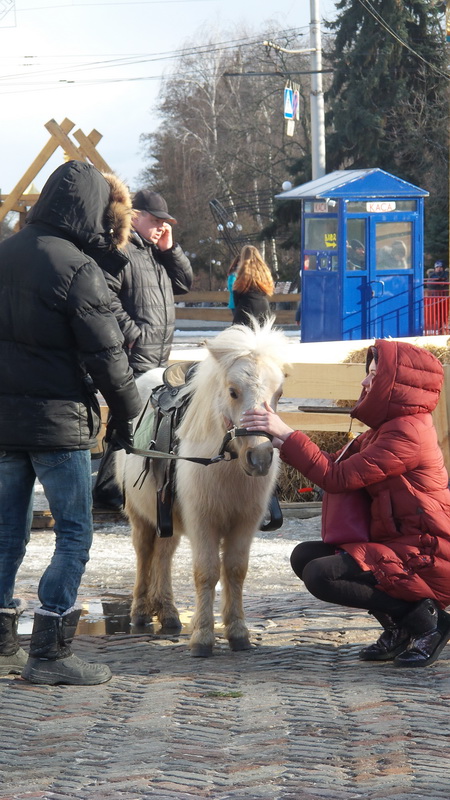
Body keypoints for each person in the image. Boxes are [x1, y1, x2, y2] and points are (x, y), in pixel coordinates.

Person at [0, 161, 142, 685]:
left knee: (5, 534)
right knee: (74, 535)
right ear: (90, 208)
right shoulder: (77, 269)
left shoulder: (3, 253)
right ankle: (50, 653)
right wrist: (128, 415)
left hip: (4, 426)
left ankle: (2, 646)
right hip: (59, 426)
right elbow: (109, 357)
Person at [241, 339, 450, 668]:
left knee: (321, 575)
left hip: (426, 552)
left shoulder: (408, 433)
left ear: (396, 385)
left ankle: (428, 624)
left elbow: (337, 478)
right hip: (396, 543)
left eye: (374, 376)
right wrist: (281, 440)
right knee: (304, 556)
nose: (365, 382)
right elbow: (335, 464)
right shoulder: (385, 430)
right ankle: (399, 627)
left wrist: (290, 435)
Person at [92, 189, 193, 510]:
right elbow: (103, 295)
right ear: (136, 217)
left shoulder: (156, 253)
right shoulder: (122, 250)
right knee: (126, 420)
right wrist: (131, 333)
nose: (162, 226)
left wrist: (170, 249)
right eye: (156, 220)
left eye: (166, 221)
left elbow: (184, 283)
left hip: (156, 356)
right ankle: (109, 488)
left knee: (147, 422)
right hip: (133, 355)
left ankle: (125, 486)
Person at [232, 245, 275, 326]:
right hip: (263, 306)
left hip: (246, 307)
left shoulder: (243, 271)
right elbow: (268, 288)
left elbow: (236, 292)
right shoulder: (265, 271)